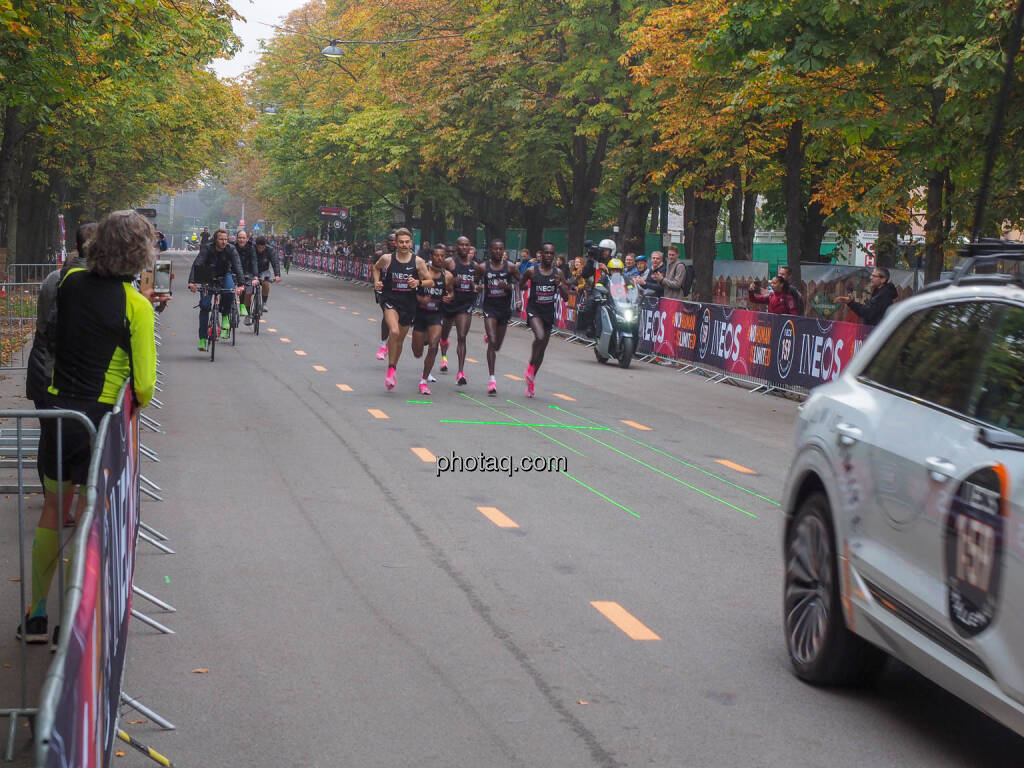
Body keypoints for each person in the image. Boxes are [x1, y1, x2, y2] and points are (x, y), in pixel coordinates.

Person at [18, 210, 158, 646]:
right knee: (88, 520)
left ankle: (36, 613)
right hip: (100, 423)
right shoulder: (136, 305)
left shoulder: (67, 283)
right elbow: (147, 385)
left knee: (52, 513)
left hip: (58, 413)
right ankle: (72, 623)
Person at [373, 228, 436, 391]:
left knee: (399, 341)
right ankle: (390, 366)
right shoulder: (387, 258)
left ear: (411, 243)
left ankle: (391, 369)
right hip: (390, 301)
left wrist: (418, 283)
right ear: (395, 243)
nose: (404, 245)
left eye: (407, 242)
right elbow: (375, 268)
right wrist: (377, 282)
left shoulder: (418, 262)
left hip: (408, 305)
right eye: (401, 242)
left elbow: (431, 281)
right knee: (393, 332)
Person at [521, 243, 571, 398]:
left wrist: (560, 285)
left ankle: (531, 378)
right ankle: (530, 367)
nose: (549, 255)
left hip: (548, 312)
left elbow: (566, 296)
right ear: (541, 255)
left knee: (542, 348)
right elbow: (521, 285)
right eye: (546, 253)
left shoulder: (558, 273)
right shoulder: (531, 271)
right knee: (540, 336)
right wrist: (519, 294)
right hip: (534, 310)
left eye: (552, 253)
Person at [187, 229, 244, 350]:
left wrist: (241, 284)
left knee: (229, 292)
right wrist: (192, 282)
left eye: (225, 239)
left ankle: (224, 316)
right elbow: (197, 264)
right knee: (205, 306)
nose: (224, 242)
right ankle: (202, 339)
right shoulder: (207, 248)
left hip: (225, 275)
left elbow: (237, 265)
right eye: (221, 239)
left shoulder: (231, 249)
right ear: (215, 239)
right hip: (208, 276)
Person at [410, 244, 453, 395]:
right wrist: (421, 299)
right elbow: (412, 290)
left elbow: (451, 292)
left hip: (436, 314)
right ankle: (421, 343)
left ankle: (424, 380)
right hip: (420, 314)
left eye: (443, 256)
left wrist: (449, 297)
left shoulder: (447, 276)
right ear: (431, 257)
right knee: (417, 351)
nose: (440, 258)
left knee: (434, 345)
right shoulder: (422, 272)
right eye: (437, 255)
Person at [440, 235, 483, 381]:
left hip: (465, 305)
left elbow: (475, 283)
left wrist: (477, 288)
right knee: (444, 336)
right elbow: (437, 279)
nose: (464, 247)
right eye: (461, 245)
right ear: (457, 247)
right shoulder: (449, 263)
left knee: (462, 337)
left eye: (467, 245)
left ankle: (460, 372)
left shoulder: (475, 266)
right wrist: (450, 283)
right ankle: (444, 353)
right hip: (449, 304)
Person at [480, 239, 517, 394]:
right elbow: (475, 282)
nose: (498, 252)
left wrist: (508, 287)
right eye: (495, 249)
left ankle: (491, 335)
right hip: (489, 308)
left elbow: (520, 283)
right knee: (492, 342)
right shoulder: (483, 267)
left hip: (504, 310)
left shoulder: (510, 267)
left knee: (497, 345)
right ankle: (492, 379)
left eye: (500, 249)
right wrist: (477, 287)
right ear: (490, 250)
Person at [244, 236, 281, 323]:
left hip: (264, 271)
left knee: (266, 284)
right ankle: (247, 314)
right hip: (251, 272)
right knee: (248, 293)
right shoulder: (251, 249)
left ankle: (264, 303)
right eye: (259, 247)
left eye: (263, 247)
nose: (261, 249)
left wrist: (277, 275)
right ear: (256, 245)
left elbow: (275, 262)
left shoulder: (270, 250)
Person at [375, 233, 398, 361]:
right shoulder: (380, 255)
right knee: (386, 314)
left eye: (396, 240)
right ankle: (383, 345)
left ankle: (391, 343)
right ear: (387, 242)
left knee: (397, 320)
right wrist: (376, 283)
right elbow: (375, 268)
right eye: (391, 240)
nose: (393, 243)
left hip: (400, 291)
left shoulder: (407, 256)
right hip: (384, 290)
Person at [235, 229, 256, 322]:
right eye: (239, 238)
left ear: (247, 239)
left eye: (243, 238)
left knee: (248, 292)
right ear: (236, 238)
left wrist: (255, 275)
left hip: (248, 273)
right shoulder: (232, 247)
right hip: (235, 273)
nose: (241, 240)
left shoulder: (251, 248)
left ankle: (248, 312)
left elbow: (254, 262)